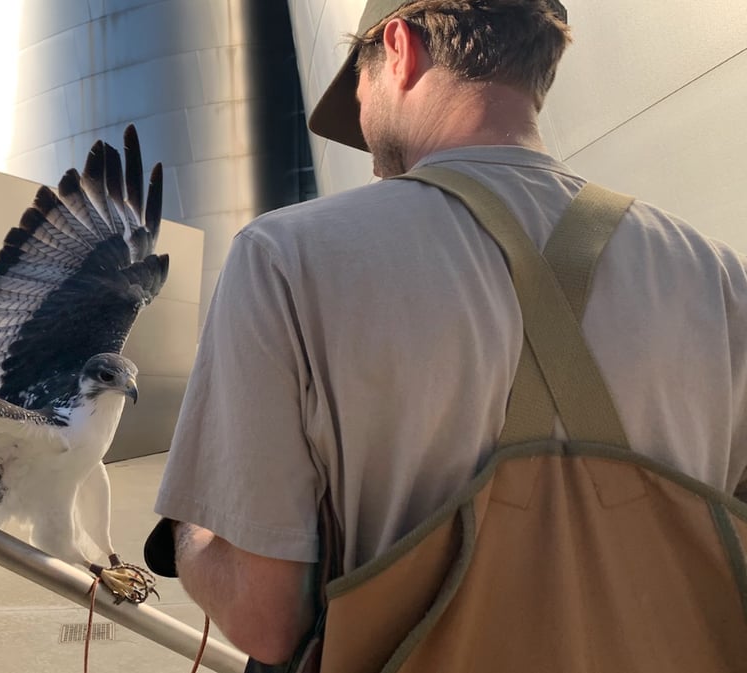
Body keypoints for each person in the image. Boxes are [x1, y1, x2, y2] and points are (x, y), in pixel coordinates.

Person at [143, 0, 747, 666]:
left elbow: (267, 617)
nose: (371, 157)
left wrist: (189, 532)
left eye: (359, 98)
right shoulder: (719, 279)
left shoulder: (285, 260)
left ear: (398, 47)